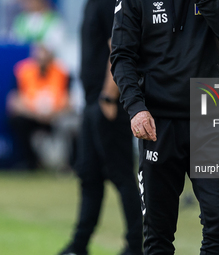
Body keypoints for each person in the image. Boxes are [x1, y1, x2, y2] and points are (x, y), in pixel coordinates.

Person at [111, 0, 219, 254]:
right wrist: (136, 108)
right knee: (158, 233)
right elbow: (122, 55)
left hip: (209, 118)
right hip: (158, 125)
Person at [58, 0, 143, 254]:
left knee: (122, 175)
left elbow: (118, 47)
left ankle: (136, 245)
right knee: (89, 175)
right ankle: (79, 244)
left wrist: (109, 95)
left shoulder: (108, 2)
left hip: (106, 102)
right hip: (92, 103)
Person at [7, 43, 69, 169]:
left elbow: (69, 100)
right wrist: (35, 114)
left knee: (70, 123)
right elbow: (13, 101)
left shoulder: (61, 71)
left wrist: (53, 113)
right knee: (17, 121)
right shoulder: (23, 71)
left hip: (55, 116)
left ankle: (68, 164)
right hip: (32, 115)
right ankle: (30, 162)